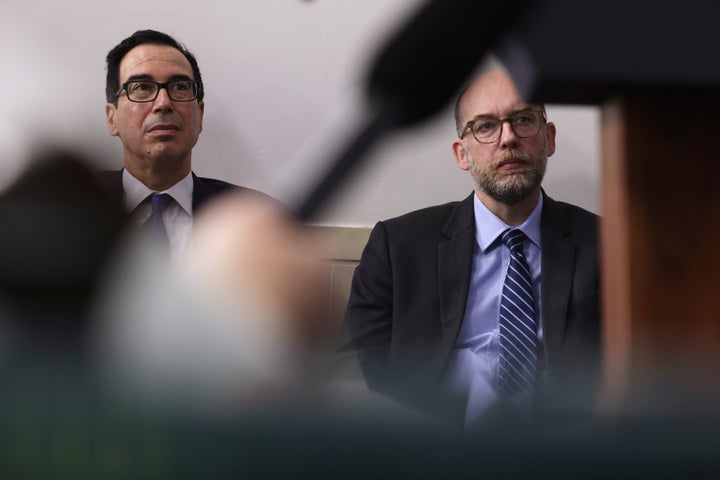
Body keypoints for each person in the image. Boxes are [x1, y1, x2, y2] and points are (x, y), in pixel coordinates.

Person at [339, 69, 601, 430]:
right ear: (462, 154)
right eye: (486, 126)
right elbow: (354, 370)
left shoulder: (605, 243)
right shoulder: (397, 247)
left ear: (548, 138)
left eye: (523, 120)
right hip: (430, 448)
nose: (508, 137)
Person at [100, 29, 264, 262]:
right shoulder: (73, 207)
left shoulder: (249, 219)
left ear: (200, 114)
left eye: (179, 87)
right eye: (142, 87)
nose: (163, 104)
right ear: (112, 118)